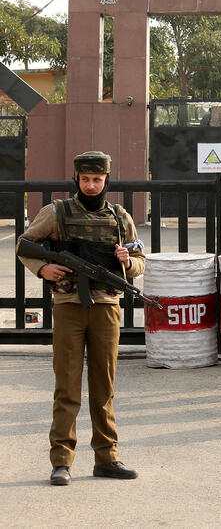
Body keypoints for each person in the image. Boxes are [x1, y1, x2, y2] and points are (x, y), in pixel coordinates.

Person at [16, 151, 146, 485]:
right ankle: (61, 460)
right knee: (67, 386)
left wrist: (126, 262)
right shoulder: (57, 212)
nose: (91, 185)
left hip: (106, 307)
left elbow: (139, 259)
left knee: (104, 388)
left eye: (97, 180)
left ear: (106, 180)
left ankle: (107, 458)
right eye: (85, 179)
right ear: (76, 178)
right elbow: (25, 244)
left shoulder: (120, 217)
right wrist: (43, 268)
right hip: (69, 306)